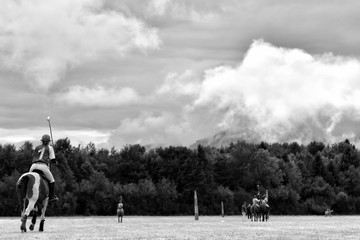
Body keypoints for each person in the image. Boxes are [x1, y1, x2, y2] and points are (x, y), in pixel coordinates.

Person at [30, 134, 58, 203]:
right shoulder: (50, 148)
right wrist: (55, 162)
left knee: (29, 179)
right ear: (49, 141)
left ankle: (26, 191)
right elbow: (52, 159)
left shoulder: (37, 147)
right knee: (52, 180)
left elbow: (33, 156)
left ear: (42, 141)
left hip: (33, 166)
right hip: (43, 166)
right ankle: (51, 196)